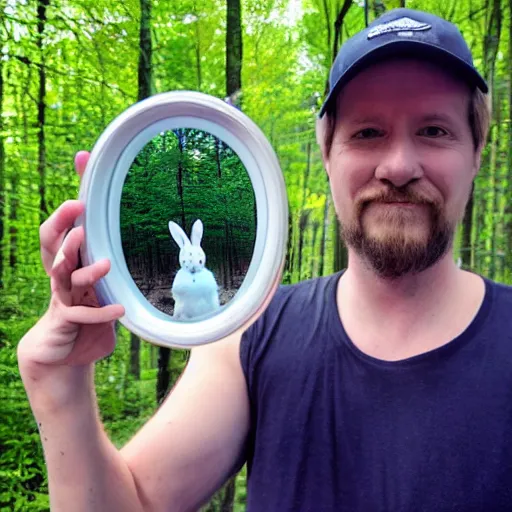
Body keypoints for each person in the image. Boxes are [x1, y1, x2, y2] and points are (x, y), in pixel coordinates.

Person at [17, 7, 512, 512]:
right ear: (327, 153)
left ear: (476, 151)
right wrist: (61, 387)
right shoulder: (248, 336)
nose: (400, 166)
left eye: (434, 131)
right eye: (367, 133)